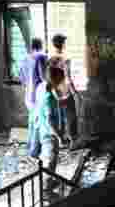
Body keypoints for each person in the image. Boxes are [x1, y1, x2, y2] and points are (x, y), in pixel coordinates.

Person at [30, 64, 66, 198]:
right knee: (49, 161)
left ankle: (49, 182)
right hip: (49, 135)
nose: (63, 82)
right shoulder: (49, 98)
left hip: (47, 132)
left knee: (52, 160)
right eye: (61, 80)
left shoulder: (47, 92)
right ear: (56, 81)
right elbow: (50, 121)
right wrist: (59, 136)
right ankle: (45, 191)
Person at [48, 33, 79, 145]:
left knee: (60, 115)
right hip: (65, 90)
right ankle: (73, 141)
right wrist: (74, 92)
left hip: (55, 90)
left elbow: (50, 77)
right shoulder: (64, 58)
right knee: (71, 116)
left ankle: (61, 140)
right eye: (64, 42)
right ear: (62, 44)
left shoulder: (51, 58)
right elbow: (67, 77)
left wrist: (54, 91)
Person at [19, 37, 48, 158]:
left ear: (31, 46)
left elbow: (22, 78)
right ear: (41, 45)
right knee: (39, 123)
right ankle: (35, 151)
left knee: (32, 121)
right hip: (38, 94)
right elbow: (43, 77)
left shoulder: (25, 58)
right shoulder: (41, 56)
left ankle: (30, 146)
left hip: (28, 95)